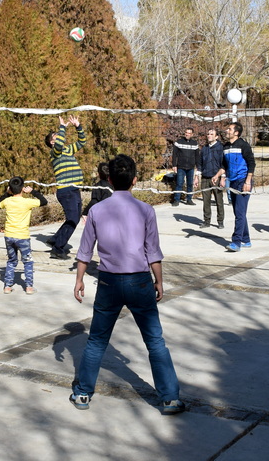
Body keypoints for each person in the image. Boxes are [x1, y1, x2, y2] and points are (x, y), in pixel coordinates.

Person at [70, 154, 184, 415]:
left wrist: (78, 280)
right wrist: (159, 280)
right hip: (140, 281)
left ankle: (83, 393)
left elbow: (85, 251)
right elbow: (153, 251)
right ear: (135, 180)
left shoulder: (97, 210)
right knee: (155, 341)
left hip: (108, 282)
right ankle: (170, 399)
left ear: (108, 180)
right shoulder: (146, 210)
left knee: (97, 340)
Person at [46, 115, 86, 260]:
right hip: (66, 190)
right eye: (56, 136)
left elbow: (82, 141)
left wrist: (78, 126)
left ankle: (55, 239)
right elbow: (60, 142)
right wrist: (62, 126)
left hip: (74, 190)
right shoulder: (54, 153)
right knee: (73, 220)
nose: (59, 137)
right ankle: (57, 249)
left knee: (73, 218)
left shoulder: (67, 150)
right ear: (52, 142)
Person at [0, 177, 47, 294]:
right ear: (22, 188)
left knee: (11, 260)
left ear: (10, 188)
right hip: (23, 236)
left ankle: (7, 286)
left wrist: (7, 193)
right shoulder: (27, 202)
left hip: (9, 235)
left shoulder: (7, 201)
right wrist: (32, 191)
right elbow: (44, 201)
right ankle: (29, 287)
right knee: (27, 261)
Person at [223, 122, 256, 252]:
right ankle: (246, 240)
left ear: (236, 132)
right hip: (232, 182)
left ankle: (236, 242)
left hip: (243, 181)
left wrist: (248, 181)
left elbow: (252, 163)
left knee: (240, 213)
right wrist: (220, 176)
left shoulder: (243, 145)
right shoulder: (225, 147)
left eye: (229, 129)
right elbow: (223, 165)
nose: (227, 130)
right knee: (239, 212)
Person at [198, 128, 225, 229]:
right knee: (206, 201)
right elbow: (200, 164)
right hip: (205, 178)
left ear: (216, 137)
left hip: (216, 178)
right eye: (208, 134)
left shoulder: (220, 148)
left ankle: (220, 221)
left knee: (219, 201)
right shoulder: (204, 148)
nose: (209, 135)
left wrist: (222, 178)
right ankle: (206, 221)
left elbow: (224, 164)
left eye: (211, 134)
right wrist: (197, 177)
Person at [170, 128, 199, 206]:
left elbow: (197, 156)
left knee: (190, 184)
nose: (187, 134)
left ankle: (189, 199)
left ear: (192, 134)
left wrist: (198, 168)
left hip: (191, 167)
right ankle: (176, 200)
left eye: (189, 133)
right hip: (181, 167)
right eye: (186, 132)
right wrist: (174, 165)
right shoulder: (178, 142)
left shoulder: (195, 143)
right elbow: (174, 155)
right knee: (179, 183)